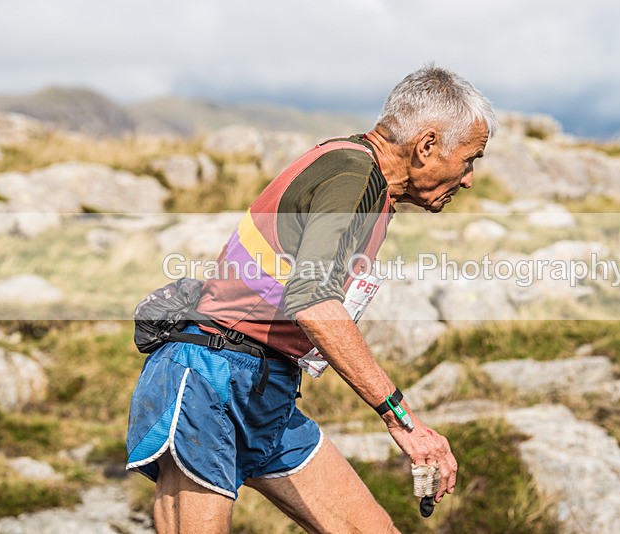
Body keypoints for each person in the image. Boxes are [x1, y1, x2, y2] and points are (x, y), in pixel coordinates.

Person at [126, 64, 497, 533]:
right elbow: (313, 301)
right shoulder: (353, 175)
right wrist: (403, 421)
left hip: (267, 388)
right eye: (470, 159)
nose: (468, 178)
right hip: (208, 375)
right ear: (426, 146)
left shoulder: (367, 185)